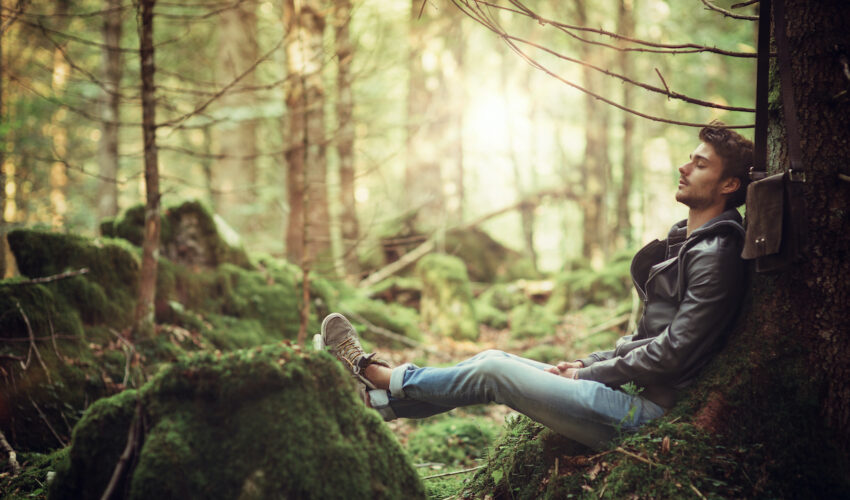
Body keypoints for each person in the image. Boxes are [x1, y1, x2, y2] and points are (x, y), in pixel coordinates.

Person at [317, 123, 753, 449]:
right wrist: (587, 360)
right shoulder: (690, 242)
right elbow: (647, 339)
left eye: (700, 164)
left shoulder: (715, 255)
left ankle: (381, 377)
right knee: (491, 356)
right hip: (628, 392)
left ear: (729, 184)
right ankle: (377, 405)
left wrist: (589, 373)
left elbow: (674, 353)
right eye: (690, 158)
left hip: (648, 415)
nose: (683, 166)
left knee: (493, 372)